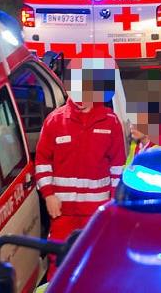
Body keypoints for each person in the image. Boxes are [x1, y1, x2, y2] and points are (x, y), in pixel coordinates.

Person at [35, 58, 126, 273]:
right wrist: (48, 195)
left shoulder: (110, 122)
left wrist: (113, 204)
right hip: (63, 212)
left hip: (96, 212)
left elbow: (117, 168)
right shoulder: (54, 122)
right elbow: (42, 162)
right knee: (59, 263)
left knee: (96, 262)